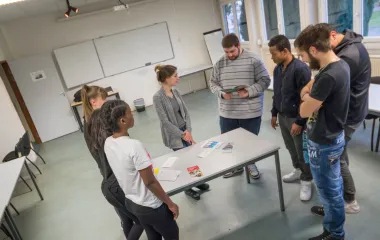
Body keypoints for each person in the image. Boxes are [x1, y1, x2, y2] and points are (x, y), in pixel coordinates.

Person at [309, 24, 371, 216]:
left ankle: (349, 201)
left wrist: (309, 91)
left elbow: (326, 79)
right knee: (338, 157)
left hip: (348, 115)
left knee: (337, 159)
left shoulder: (347, 56)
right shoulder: (347, 46)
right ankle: (339, 199)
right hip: (348, 111)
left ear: (333, 35)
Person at [295, 24, 350, 240]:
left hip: (325, 142)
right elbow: (309, 87)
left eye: (303, 55)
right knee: (331, 183)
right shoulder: (337, 65)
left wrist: (307, 99)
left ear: (313, 50)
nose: (303, 59)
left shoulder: (329, 76)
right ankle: (330, 212)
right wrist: (309, 95)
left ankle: (335, 233)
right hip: (329, 136)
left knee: (329, 189)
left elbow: (304, 109)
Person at [102, 100, 180, 240]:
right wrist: (170, 203)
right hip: (150, 206)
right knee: (172, 234)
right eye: (129, 112)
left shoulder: (108, 142)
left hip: (132, 203)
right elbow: (150, 182)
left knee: (153, 235)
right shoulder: (134, 146)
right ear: (122, 120)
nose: (132, 114)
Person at [81, 85, 144, 240]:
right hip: (117, 178)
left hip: (107, 177)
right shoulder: (101, 124)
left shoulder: (88, 123)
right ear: (93, 102)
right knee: (141, 218)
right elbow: (117, 152)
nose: (108, 102)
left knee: (126, 218)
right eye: (105, 99)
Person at [210, 33, 270, 179]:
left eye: (232, 51)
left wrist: (248, 91)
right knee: (230, 143)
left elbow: (265, 80)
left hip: (250, 112)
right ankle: (236, 167)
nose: (229, 55)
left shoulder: (254, 60)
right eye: (226, 52)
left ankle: (251, 164)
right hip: (227, 113)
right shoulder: (219, 63)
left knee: (249, 143)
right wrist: (221, 93)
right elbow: (213, 83)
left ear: (239, 46)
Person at [152, 64, 210, 200]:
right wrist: (182, 134)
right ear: (166, 78)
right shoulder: (157, 97)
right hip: (175, 135)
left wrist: (188, 130)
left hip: (185, 131)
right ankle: (188, 188)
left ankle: (197, 181)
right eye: (175, 76)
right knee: (184, 162)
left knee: (192, 159)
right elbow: (165, 122)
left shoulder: (175, 92)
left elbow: (186, 113)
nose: (178, 78)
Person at [268, 35, 313, 201]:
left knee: (302, 151)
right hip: (282, 115)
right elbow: (277, 93)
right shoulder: (278, 69)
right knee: (290, 147)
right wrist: (274, 113)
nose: (271, 57)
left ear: (285, 51)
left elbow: (306, 99)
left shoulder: (301, 69)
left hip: (296, 118)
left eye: (273, 53)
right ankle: (298, 170)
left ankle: (307, 180)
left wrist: (300, 122)